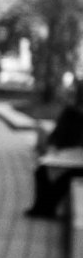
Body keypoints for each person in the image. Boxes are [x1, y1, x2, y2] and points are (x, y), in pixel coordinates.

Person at [26, 82, 83, 218]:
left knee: (65, 177)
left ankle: (46, 208)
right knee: (41, 171)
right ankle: (41, 208)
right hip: (70, 156)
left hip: (77, 160)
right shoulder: (70, 113)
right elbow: (57, 136)